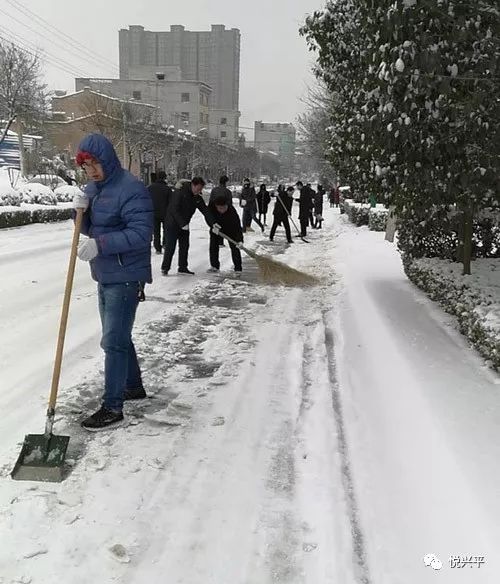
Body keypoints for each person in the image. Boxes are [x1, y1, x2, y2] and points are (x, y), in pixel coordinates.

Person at [72, 133, 153, 430]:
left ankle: (113, 407)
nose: (91, 171)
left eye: (94, 164)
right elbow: (88, 228)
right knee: (118, 336)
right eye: (86, 166)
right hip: (105, 273)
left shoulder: (132, 189)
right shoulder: (92, 189)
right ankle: (133, 386)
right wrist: (78, 211)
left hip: (127, 274)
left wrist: (100, 245)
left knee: (113, 341)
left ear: (106, 159)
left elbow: (142, 234)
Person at [161, 176, 208, 276]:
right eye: (198, 188)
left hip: (185, 224)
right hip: (172, 224)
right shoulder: (179, 193)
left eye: (201, 189)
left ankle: (182, 267)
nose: (199, 191)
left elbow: (205, 211)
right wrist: (182, 223)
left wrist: (213, 224)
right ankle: (165, 268)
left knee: (184, 246)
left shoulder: (197, 198)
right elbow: (174, 209)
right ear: (193, 185)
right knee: (170, 246)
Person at [208, 194, 244, 275]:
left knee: (235, 247)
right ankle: (214, 266)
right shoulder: (211, 208)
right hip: (216, 228)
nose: (222, 210)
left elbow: (238, 227)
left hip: (230, 230)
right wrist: (212, 224)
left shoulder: (232, 212)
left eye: (224, 207)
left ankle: (238, 268)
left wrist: (240, 240)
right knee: (213, 246)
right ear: (216, 206)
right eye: (220, 208)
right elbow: (208, 217)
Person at [148, 170, 172, 254]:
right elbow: (171, 202)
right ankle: (165, 244)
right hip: (165, 213)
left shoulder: (150, 188)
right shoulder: (167, 189)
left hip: (153, 213)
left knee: (156, 231)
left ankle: (157, 248)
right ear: (164, 178)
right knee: (166, 230)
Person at [209, 175, 233, 247]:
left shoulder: (214, 190)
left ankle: (214, 241)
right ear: (225, 182)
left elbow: (211, 200)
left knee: (214, 225)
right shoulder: (227, 191)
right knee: (222, 225)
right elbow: (229, 204)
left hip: (214, 211)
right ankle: (220, 242)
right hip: (223, 211)